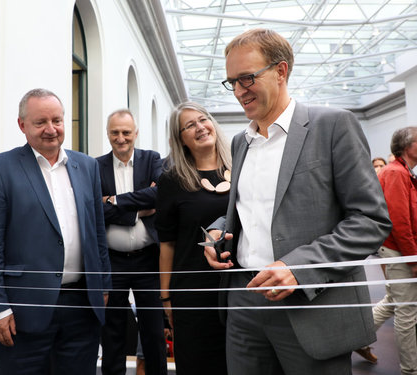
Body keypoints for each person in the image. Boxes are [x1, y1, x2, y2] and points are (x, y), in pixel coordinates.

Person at [203, 28, 392, 375]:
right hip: (244, 301)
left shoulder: (333, 126)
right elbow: (247, 212)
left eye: (247, 78)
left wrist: (299, 268)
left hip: (313, 305)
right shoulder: (240, 143)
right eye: (232, 82)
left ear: (281, 70)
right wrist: (217, 233)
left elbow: (370, 220)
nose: (239, 91)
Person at [0, 88, 111, 375]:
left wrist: (104, 286)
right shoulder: (0, 168)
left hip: (82, 307)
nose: (51, 129)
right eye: (41, 122)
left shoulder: (86, 166)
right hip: (23, 311)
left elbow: (98, 232)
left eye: (57, 120)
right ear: (22, 125)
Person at [155, 102, 231, 375]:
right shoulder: (172, 181)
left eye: (203, 120)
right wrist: (166, 300)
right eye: (190, 125)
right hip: (193, 293)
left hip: (240, 288)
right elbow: (167, 245)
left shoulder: (242, 168)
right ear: (181, 139)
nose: (200, 127)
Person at [97, 109, 167, 375]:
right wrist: (138, 210)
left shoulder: (151, 159)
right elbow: (94, 209)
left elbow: (160, 195)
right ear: (108, 134)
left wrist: (115, 200)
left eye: (126, 132)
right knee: (112, 331)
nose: (121, 138)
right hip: (112, 261)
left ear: (135, 133)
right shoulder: (97, 165)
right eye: (115, 132)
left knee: (153, 331)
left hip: (148, 259)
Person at [372, 127, 417, 375]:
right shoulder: (396, 173)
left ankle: (354, 339)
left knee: (393, 301)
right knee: (407, 310)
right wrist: (413, 258)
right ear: (407, 146)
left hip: (402, 250)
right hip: (400, 251)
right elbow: (399, 221)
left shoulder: (403, 173)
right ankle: (411, 370)